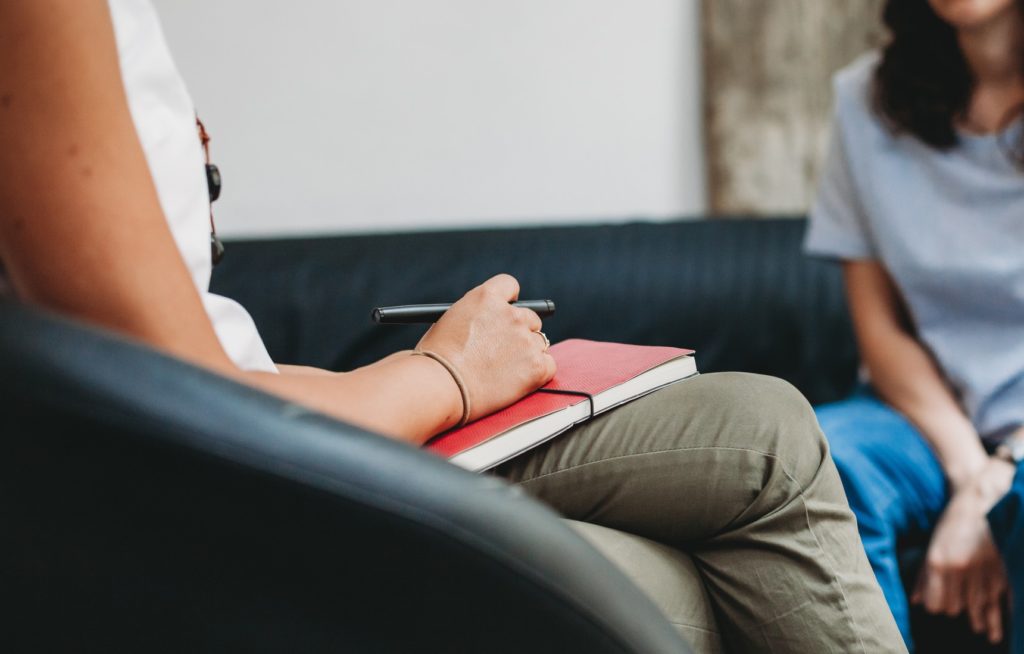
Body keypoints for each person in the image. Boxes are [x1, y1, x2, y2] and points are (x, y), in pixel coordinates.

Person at [0, 1, 906, 652]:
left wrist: (414, 374)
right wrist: (446, 376)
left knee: (761, 426)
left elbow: (208, 350)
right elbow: (176, 408)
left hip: (264, 428)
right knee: (686, 581)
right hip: (215, 500)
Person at [806, 0, 1024, 650]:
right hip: (920, 417)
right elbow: (882, 328)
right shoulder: (862, 101)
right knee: (814, 464)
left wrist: (1007, 465)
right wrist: (969, 473)